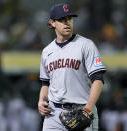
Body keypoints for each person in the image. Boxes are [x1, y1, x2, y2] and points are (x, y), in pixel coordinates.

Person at [38, 3, 106, 131]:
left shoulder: (86, 45)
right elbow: (45, 83)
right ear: (52, 23)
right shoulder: (47, 51)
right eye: (62, 20)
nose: (67, 22)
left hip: (82, 110)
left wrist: (88, 109)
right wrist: (41, 100)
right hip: (53, 114)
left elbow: (98, 79)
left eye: (69, 19)